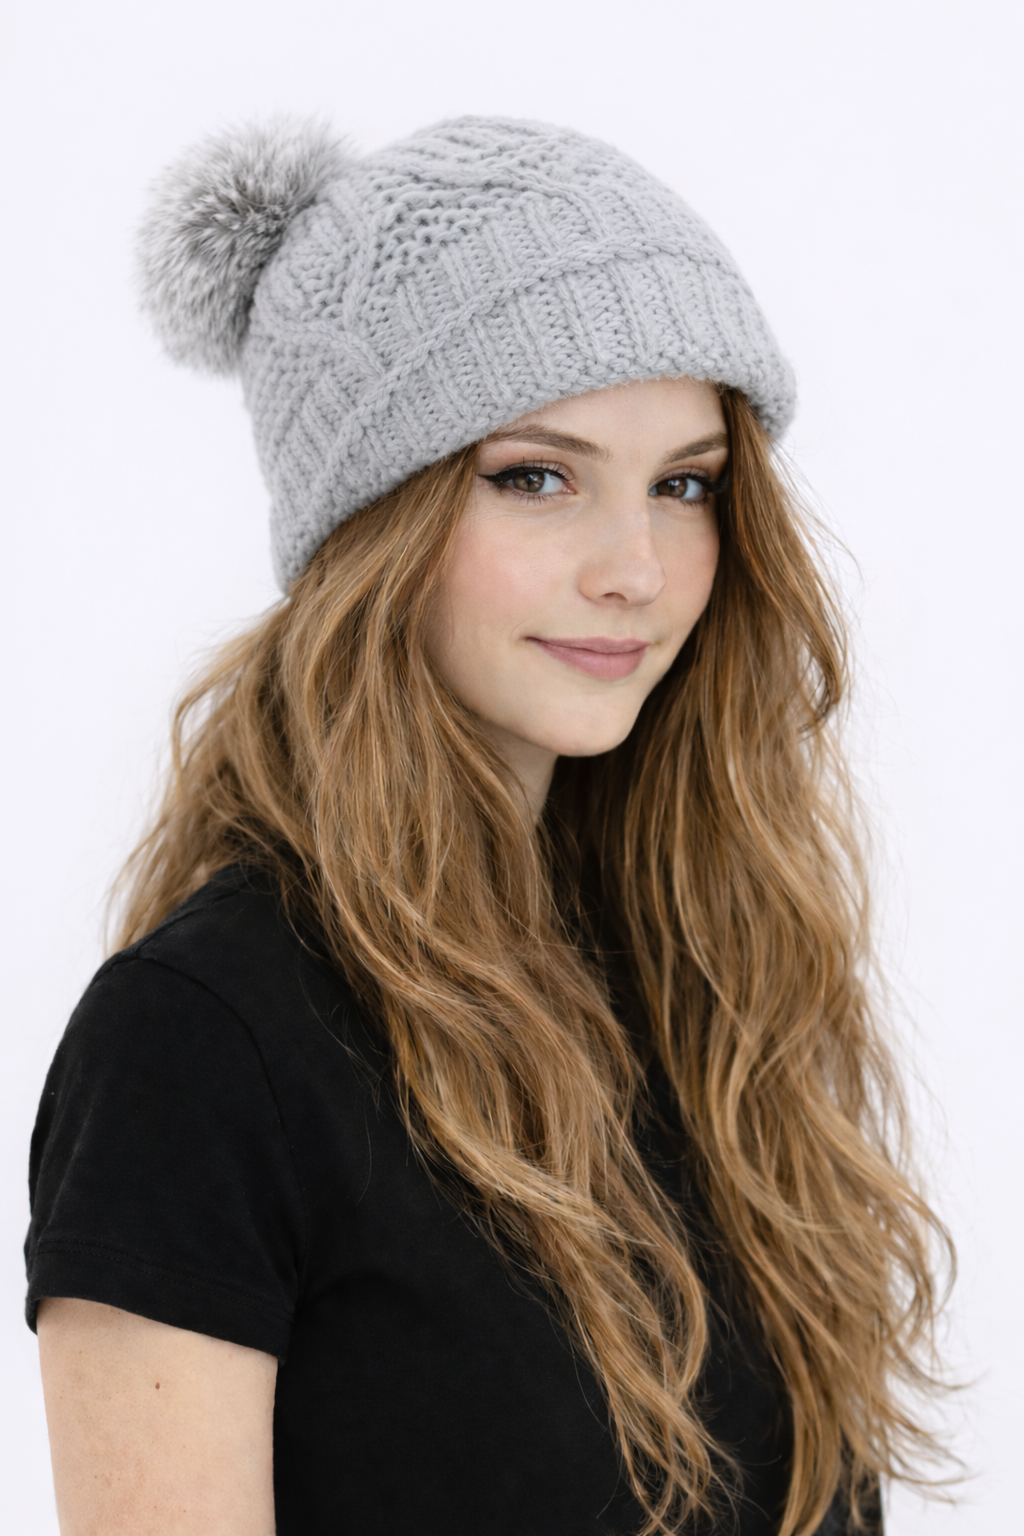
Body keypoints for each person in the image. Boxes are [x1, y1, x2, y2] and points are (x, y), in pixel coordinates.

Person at [25, 117, 948, 1536]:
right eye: (536, 475)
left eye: (684, 484)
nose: (636, 569)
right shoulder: (203, 1042)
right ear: (371, 522)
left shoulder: (707, 982)